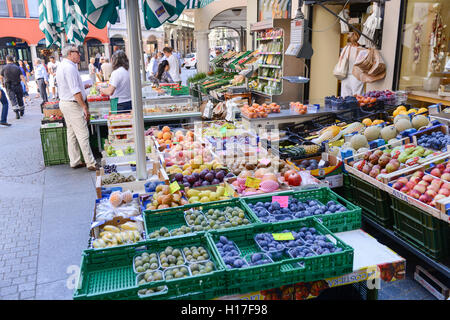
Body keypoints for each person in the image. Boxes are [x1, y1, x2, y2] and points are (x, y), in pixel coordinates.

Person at [56, 44, 98, 171]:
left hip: (65, 102)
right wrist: (84, 107)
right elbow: (75, 91)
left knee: (72, 133)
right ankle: (91, 162)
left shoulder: (62, 66)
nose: (79, 54)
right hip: (72, 104)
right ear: (70, 53)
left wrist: (83, 86)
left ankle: (74, 160)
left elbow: (72, 87)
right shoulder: (69, 68)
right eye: (77, 52)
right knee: (83, 133)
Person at [341, 32, 364, 97]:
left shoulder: (345, 49)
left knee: (345, 98)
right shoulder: (361, 50)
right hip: (356, 76)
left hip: (345, 76)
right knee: (358, 99)